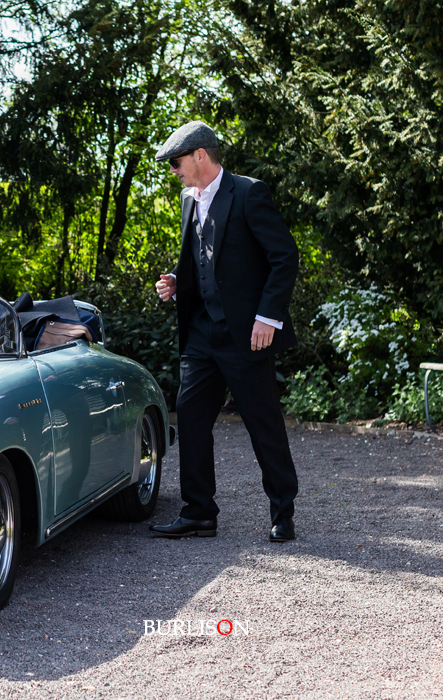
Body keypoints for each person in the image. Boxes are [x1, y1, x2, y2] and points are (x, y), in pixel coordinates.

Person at [149, 121, 300, 543]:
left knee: (262, 422)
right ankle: (199, 512)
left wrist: (268, 318)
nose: (174, 170)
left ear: (200, 155)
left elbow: (284, 257)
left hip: (246, 335)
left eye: (177, 162)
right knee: (192, 419)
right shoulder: (187, 199)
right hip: (200, 334)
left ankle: (283, 512)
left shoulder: (249, 193)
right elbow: (202, 259)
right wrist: (179, 282)